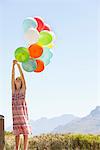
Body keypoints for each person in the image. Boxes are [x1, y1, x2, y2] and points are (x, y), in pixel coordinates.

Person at [12, 60, 31, 150]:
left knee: (25, 132)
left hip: (22, 114)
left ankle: (25, 149)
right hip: (16, 114)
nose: (17, 80)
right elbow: (12, 77)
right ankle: (16, 149)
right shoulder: (14, 92)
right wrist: (13, 66)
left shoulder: (23, 91)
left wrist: (18, 66)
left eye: (19, 80)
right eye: (16, 79)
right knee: (17, 133)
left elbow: (23, 77)